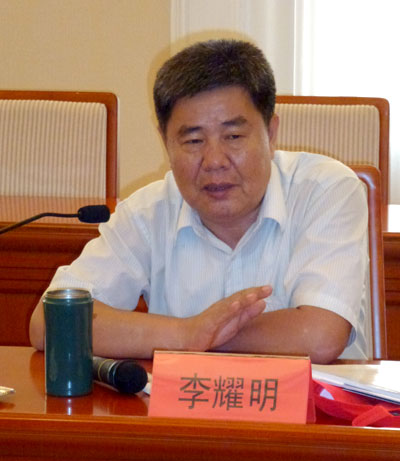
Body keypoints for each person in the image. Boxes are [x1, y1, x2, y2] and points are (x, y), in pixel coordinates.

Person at [29, 39, 369, 363]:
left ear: (271, 133)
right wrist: (185, 333)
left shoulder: (325, 190)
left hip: (313, 403)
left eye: (233, 136)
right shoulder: (147, 213)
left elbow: (319, 335)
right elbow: (48, 323)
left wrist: (202, 336)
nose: (214, 160)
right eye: (193, 141)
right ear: (166, 143)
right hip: (188, 404)